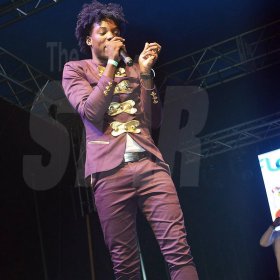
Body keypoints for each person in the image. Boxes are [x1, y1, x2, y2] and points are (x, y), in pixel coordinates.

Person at [62, 1, 199, 279]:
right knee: (125, 265)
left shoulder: (134, 68)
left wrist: (146, 72)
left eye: (115, 31)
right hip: (108, 174)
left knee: (178, 251)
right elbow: (91, 111)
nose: (112, 36)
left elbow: (154, 120)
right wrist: (112, 63)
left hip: (150, 167)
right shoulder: (75, 70)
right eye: (103, 32)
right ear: (89, 39)